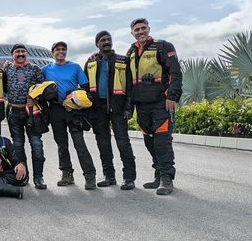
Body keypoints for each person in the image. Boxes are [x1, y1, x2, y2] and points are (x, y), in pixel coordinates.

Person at [126, 18, 182, 195]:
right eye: (137, 29)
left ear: (149, 29)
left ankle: (167, 178)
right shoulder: (131, 51)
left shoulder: (163, 46)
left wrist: (172, 96)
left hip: (160, 103)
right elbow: (127, 81)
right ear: (132, 32)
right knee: (149, 141)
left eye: (143, 28)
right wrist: (129, 106)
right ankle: (158, 175)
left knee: (162, 141)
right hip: (141, 105)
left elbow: (175, 73)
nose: (141, 31)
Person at [42, 41, 98, 190]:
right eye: (57, 50)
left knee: (79, 143)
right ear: (52, 52)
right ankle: (67, 174)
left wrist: (74, 100)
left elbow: (85, 87)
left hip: (73, 110)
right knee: (62, 144)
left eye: (63, 49)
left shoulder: (75, 67)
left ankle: (90, 176)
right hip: (55, 109)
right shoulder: (46, 69)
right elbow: (37, 85)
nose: (61, 52)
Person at [85, 31, 136, 190]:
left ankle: (129, 178)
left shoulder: (123, 60)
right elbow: (86, 86)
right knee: (103, 143)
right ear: (97, 43)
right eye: (102, 40)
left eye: (108, 39)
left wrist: (129, 107)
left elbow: (130, 85)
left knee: (123, 142)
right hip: (98, 109)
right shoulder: (91, 61)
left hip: (118, 108)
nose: (106, 42)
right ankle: (109, 176)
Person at [3, 44, 46, 189]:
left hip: (31, 112)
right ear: (12, 55)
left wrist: (37, 99)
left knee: (36, 144)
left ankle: (39, 177)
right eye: (17, 52)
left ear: (26, 54)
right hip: (13, 111)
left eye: (23, 51)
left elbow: (43, 89)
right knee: (18, 145)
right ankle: (24, 175)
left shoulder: (35, 69)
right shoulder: (7, 69)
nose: (20, 54)